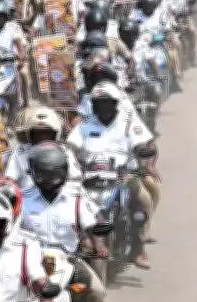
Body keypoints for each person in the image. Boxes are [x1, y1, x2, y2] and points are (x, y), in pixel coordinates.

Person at [66, 83, 160, 267]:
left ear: (115, 103)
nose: (103, 107)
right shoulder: (84, 126)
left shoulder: (128, 123)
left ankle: (138, 249)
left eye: (107, 102)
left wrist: (142, 154)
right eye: (98, 103)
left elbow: (143, 143)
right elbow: (70, 149)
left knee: (143, 201)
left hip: (123, 177)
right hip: (89, 179)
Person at [19, 143, 107, 302]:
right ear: (33, 173)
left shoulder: (76, 198)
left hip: (69, 258)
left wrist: (99, 245)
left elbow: (91, 224)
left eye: (54, 174)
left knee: (97, 292)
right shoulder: (22, 198)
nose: (49, 179)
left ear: (65, 172)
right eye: (43, 174)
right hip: (28, 259)